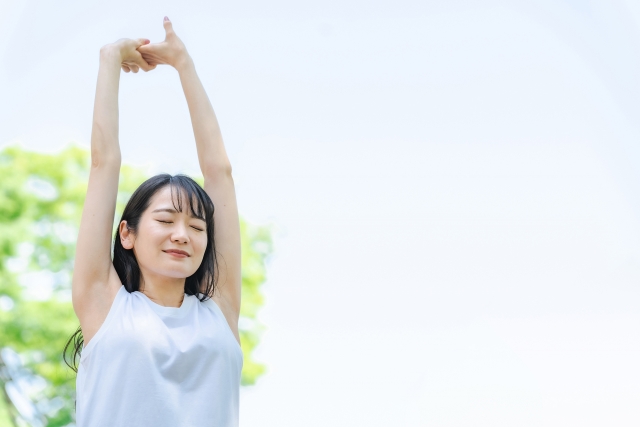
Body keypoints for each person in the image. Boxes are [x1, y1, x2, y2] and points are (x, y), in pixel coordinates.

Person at [64, 16, 243, 427]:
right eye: (166, 220)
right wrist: (110, 60)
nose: (183, 235)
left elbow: (220, 173)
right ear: (126, 233)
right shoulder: (103, 304)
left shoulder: (221, 308)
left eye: (198, 228)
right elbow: (104, 163)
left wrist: (184, 64)